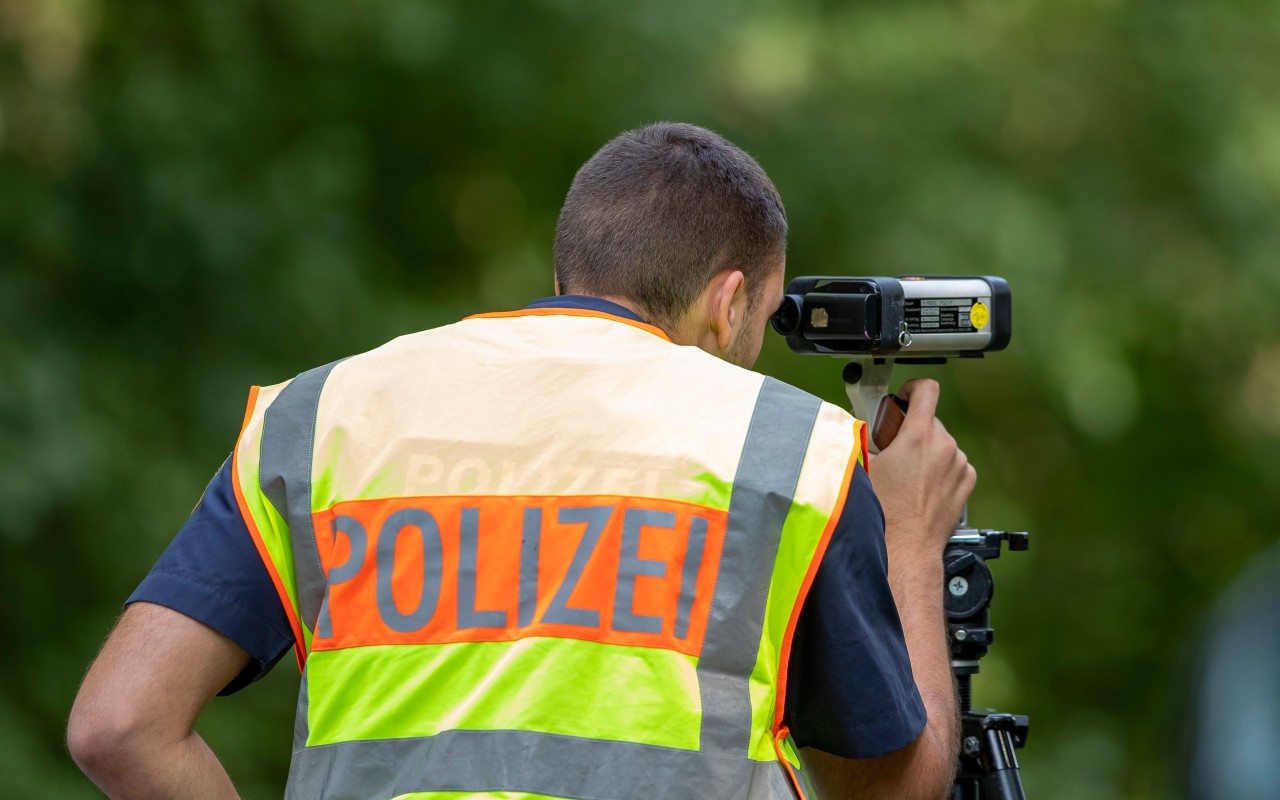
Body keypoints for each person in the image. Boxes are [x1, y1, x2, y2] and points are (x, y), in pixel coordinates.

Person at [68, 122, 974, 799]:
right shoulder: (789, 450)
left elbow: (121, 725)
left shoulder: (320, 417)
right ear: (727, 302)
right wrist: (910, 538)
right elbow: (895, 791)